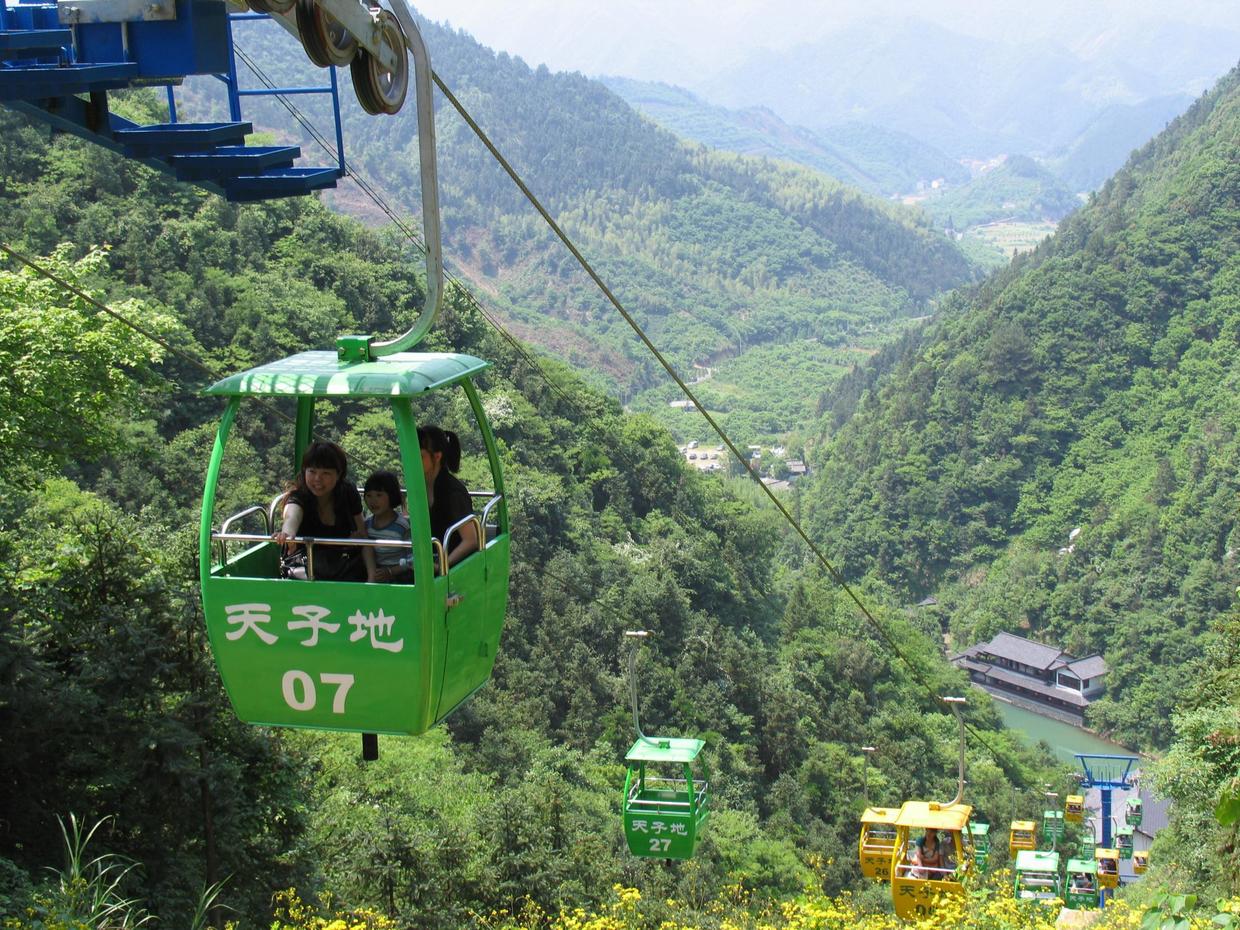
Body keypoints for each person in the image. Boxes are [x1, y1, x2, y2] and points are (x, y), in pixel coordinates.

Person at [274, 440, 367, 581]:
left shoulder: (347, 492)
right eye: (312, 471)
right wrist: (287, 534)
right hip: (307, 570)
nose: (317, 479)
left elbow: (362, 534)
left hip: (344, 567)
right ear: (304, 471)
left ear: (338, 474)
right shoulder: (299, 497)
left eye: (326, 473)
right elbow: (292, 516)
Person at [418, 425, 477, 571]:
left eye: (419, 456)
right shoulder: (420, 485)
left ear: (437, 456)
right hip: (429, 561)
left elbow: (471, 540)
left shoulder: (452, 492)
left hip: (450, 567)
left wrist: (442, 566)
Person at [364, 470, 412, 583]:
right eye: (369, 495)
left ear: (391, 495)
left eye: (379, 495)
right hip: (375, 575)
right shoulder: (367, 525)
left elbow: (412, 559)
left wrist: (390, 571)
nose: (373, 501)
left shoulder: (402, 526)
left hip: (400, 576)